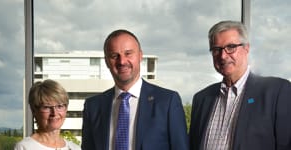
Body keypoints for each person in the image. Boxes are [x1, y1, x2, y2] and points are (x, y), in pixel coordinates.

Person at [189, 20, 291, 150]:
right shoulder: (201, 99)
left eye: (231, 47)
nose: (223, 56)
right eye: (216, 49)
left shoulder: (277, 92)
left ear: (246, 48)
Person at [81, 29, 189, 150]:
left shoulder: (167, 102)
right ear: (106, 61)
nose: (121, 61)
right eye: (114, 56)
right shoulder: (93, 107)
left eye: (128, 53)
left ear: (140, 56)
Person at [14, 79, 81, 150]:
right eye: (47, 107)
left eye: (59, 106)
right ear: (34, 110)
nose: (54, 113)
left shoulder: (75, 148)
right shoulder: (24, 147)